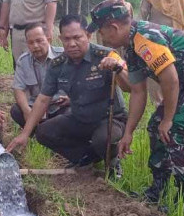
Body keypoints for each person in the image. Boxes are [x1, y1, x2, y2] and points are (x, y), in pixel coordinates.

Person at [90, 0, 184, 214]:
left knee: (175, 130)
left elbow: (171, 80)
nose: (101, 37)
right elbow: (138, 91)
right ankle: (158, 189)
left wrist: (168, 119)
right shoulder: (130, 47)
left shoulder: (145, 39)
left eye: (102, 31)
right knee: (155, 126)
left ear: (114, 27)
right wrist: (128, 132)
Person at [7, 15, 131, 178]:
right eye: (66, 39)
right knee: (43, 132)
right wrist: (24, 134)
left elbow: (129, 87)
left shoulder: (106, 55)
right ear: (60, 39)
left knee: (102, 140)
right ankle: (85, 157)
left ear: (88, 35)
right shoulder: (58, 64)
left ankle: (113, 163)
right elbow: (43, 99)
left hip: (109, 119)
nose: (72, 44)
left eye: (77, 37)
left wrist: (117, 69)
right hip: (79, 118)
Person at [140, 0, 184, 106]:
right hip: (157, 44)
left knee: (177, 78)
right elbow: (142, 16)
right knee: (156, 79)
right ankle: (159, 109)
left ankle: (175, 110)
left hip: (179, 42)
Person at [11, 23, 68, 128]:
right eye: (31, 43)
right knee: (16, 110)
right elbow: (18, 89)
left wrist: (70, 98)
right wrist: (26, 110)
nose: (35, 46)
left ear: (48, 39)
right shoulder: (23, 61)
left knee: (71, 113)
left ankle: (50, 134)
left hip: (59, 106)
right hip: (36, 107)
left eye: (39, 41)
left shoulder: (64, 57)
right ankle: (38, 133)